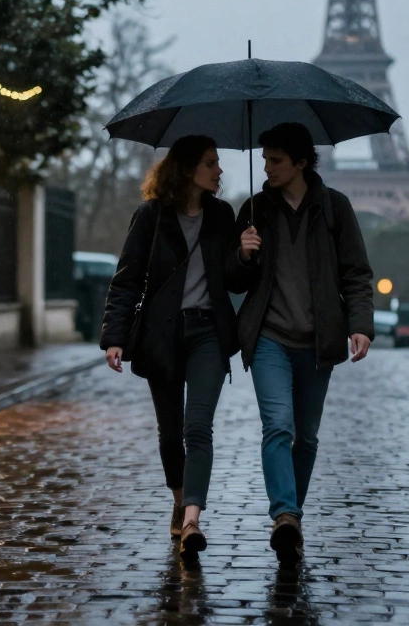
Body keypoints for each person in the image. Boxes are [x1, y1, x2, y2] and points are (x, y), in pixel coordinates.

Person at [233, 122, 375, 572]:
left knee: (306, 436)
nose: (267, 167)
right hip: (270, 337)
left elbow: (356, 273)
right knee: (278, 425)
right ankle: (285, 516)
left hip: (317, 341)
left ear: (300, 162)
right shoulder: (253, 210)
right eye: (265, 159)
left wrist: (361, 325)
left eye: (276, 160)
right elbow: (233, 281)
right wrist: (243, 254)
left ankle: (290, 518)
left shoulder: (335, 208)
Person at [99, 135, 247, 560]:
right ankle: (181, 499)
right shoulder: (152, 217)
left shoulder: (222, 215)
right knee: (169, 432)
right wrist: (115, 337)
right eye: (210, 163)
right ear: (187, 169)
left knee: (197, 427)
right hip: (161, 335)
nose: (219, 170)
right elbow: (127, 279)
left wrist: (246, 255)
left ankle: (192, 520)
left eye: (218, 162)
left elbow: (235, 281)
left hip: (208, 334)